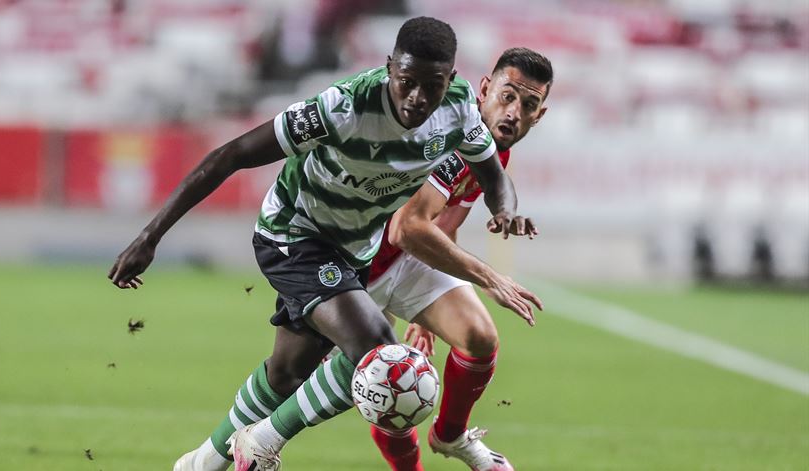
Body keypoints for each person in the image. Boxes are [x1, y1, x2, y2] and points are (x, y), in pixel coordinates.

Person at [107, 16, 539, 471]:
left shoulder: (460, 113)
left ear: (450, 79)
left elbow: (495, 179)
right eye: (406, 82)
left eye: (431, 85)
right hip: (294, 234)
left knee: (287, 374)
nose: (417, 98)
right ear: (390, 66)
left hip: (353, 250)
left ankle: (200, 464)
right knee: (378, 351)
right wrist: (149, 236)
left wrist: (505, 211)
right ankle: (262, 445)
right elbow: (230, 155)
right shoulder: (343, 108)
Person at [367, 47, 553, 471]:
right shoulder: (453, 133)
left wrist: (420, 311)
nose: (514, 112)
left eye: (528, 105)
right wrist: (491, 279)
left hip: (404, 258)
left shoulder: (493, 149)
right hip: (353, 266)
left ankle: (449, 435)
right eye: (507, 96)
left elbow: (443, 222)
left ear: (540, 115)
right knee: (382, 388)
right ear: (485, 89)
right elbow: (407, 227)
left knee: (479, 338)